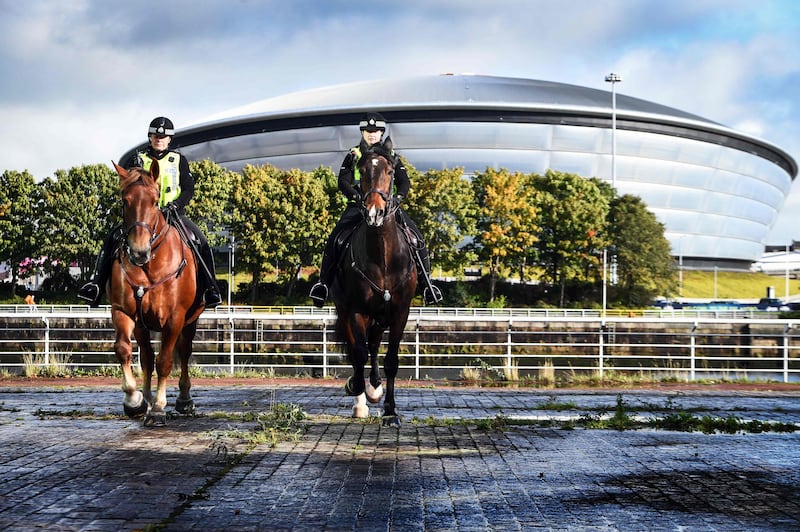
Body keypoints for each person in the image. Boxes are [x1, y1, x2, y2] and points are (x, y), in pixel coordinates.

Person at [77, 116, 222, 308]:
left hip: (173, 214)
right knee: (111, 238)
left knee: (201, 241)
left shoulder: (178, 160)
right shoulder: (138, 159)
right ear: (150, 137)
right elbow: (130, 186)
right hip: (142, 216)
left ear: (170, 139)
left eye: (163, 137)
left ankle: (210, 288)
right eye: (155, 136)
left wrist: (177, 205)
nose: (159, 139)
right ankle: (95, 285)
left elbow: (188, 189)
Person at [309, 112, 442, 307]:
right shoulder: (353, 154)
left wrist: (398, 199)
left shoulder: (393, 156)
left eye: (376, 131)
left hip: (387, 207)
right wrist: (356, 198)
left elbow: (405, 182)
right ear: (362, 132)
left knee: (416, 237)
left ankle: (426, 285)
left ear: (381, 133)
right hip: (358, 207)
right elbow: (343, 181)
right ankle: (323, 285)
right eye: (368, 131)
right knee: (336, 238)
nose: (372, 134)